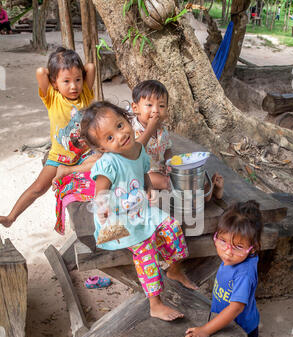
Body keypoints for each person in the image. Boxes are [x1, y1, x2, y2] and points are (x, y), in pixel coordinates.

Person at [80, 101, 198, 322]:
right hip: (117, 222)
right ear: (103, 148)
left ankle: (174, 268)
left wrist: (149, 187)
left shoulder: (139, 150)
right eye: (109, 138)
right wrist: (103, 207)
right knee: (146, 250)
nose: (120, 135)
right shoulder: (109, 164)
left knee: (172, 227)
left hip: (141, 210)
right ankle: (155, 303)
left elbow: (144, 171)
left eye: (120, 125)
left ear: (127, 119)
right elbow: (101, 192)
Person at [0, 47, 100, 228]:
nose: (73, 86)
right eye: (66, 81)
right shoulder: (52, 98)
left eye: (78, 79)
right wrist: (54, 71)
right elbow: (41, 72)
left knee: (104, 169)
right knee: (39, 188)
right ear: (54, 83)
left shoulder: (85, 92)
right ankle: (11, 218)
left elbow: (91, 67)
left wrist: (70, 73)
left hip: (85, 154)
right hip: (59, 157)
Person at [185, 200, 263, 337]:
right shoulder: (234, 258)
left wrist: (205, 330)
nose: (228, 251)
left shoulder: (244, 273)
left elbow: (236, 308)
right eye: (223, 241)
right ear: (216, 236)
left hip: (242, 327)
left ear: (252, 248)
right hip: (224, 320)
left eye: (237, 246)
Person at [131, 79, 224, 200]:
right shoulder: (131, 129)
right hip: (141, 173)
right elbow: (135, 151)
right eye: (149, 105)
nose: (155, 110)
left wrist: (172, 164)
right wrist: (149, 129)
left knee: (184, 176)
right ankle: (204, 195)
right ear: (135, 108)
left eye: (161, 106)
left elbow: (167, 148)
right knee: (169, 183)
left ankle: (207, 188)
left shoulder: (162, 129)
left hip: (161, 169)